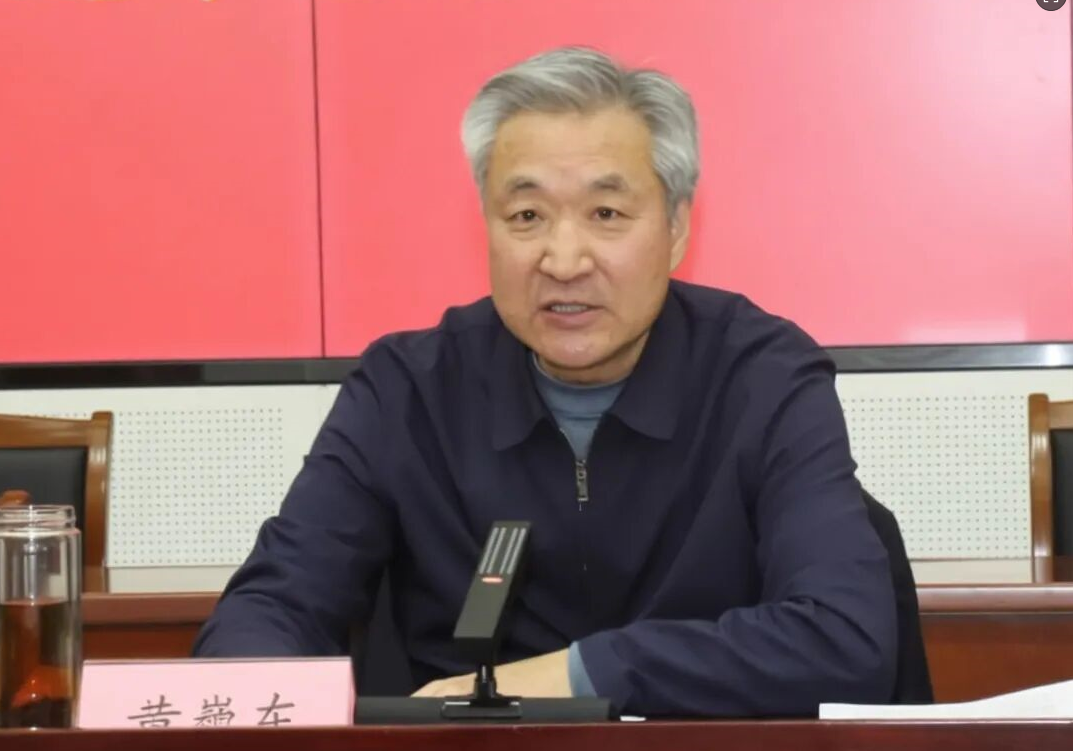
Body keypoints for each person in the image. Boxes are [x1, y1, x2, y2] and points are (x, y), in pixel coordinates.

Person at [193, 46, 896, 718]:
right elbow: (270, 608)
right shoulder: (406, 391)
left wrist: (576, 675)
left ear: (676, 228)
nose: (563, 260)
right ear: (487, 226)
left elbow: (845, 637)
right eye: (526, 216)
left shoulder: (761, 377)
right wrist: (259, 694)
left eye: (606, 214)